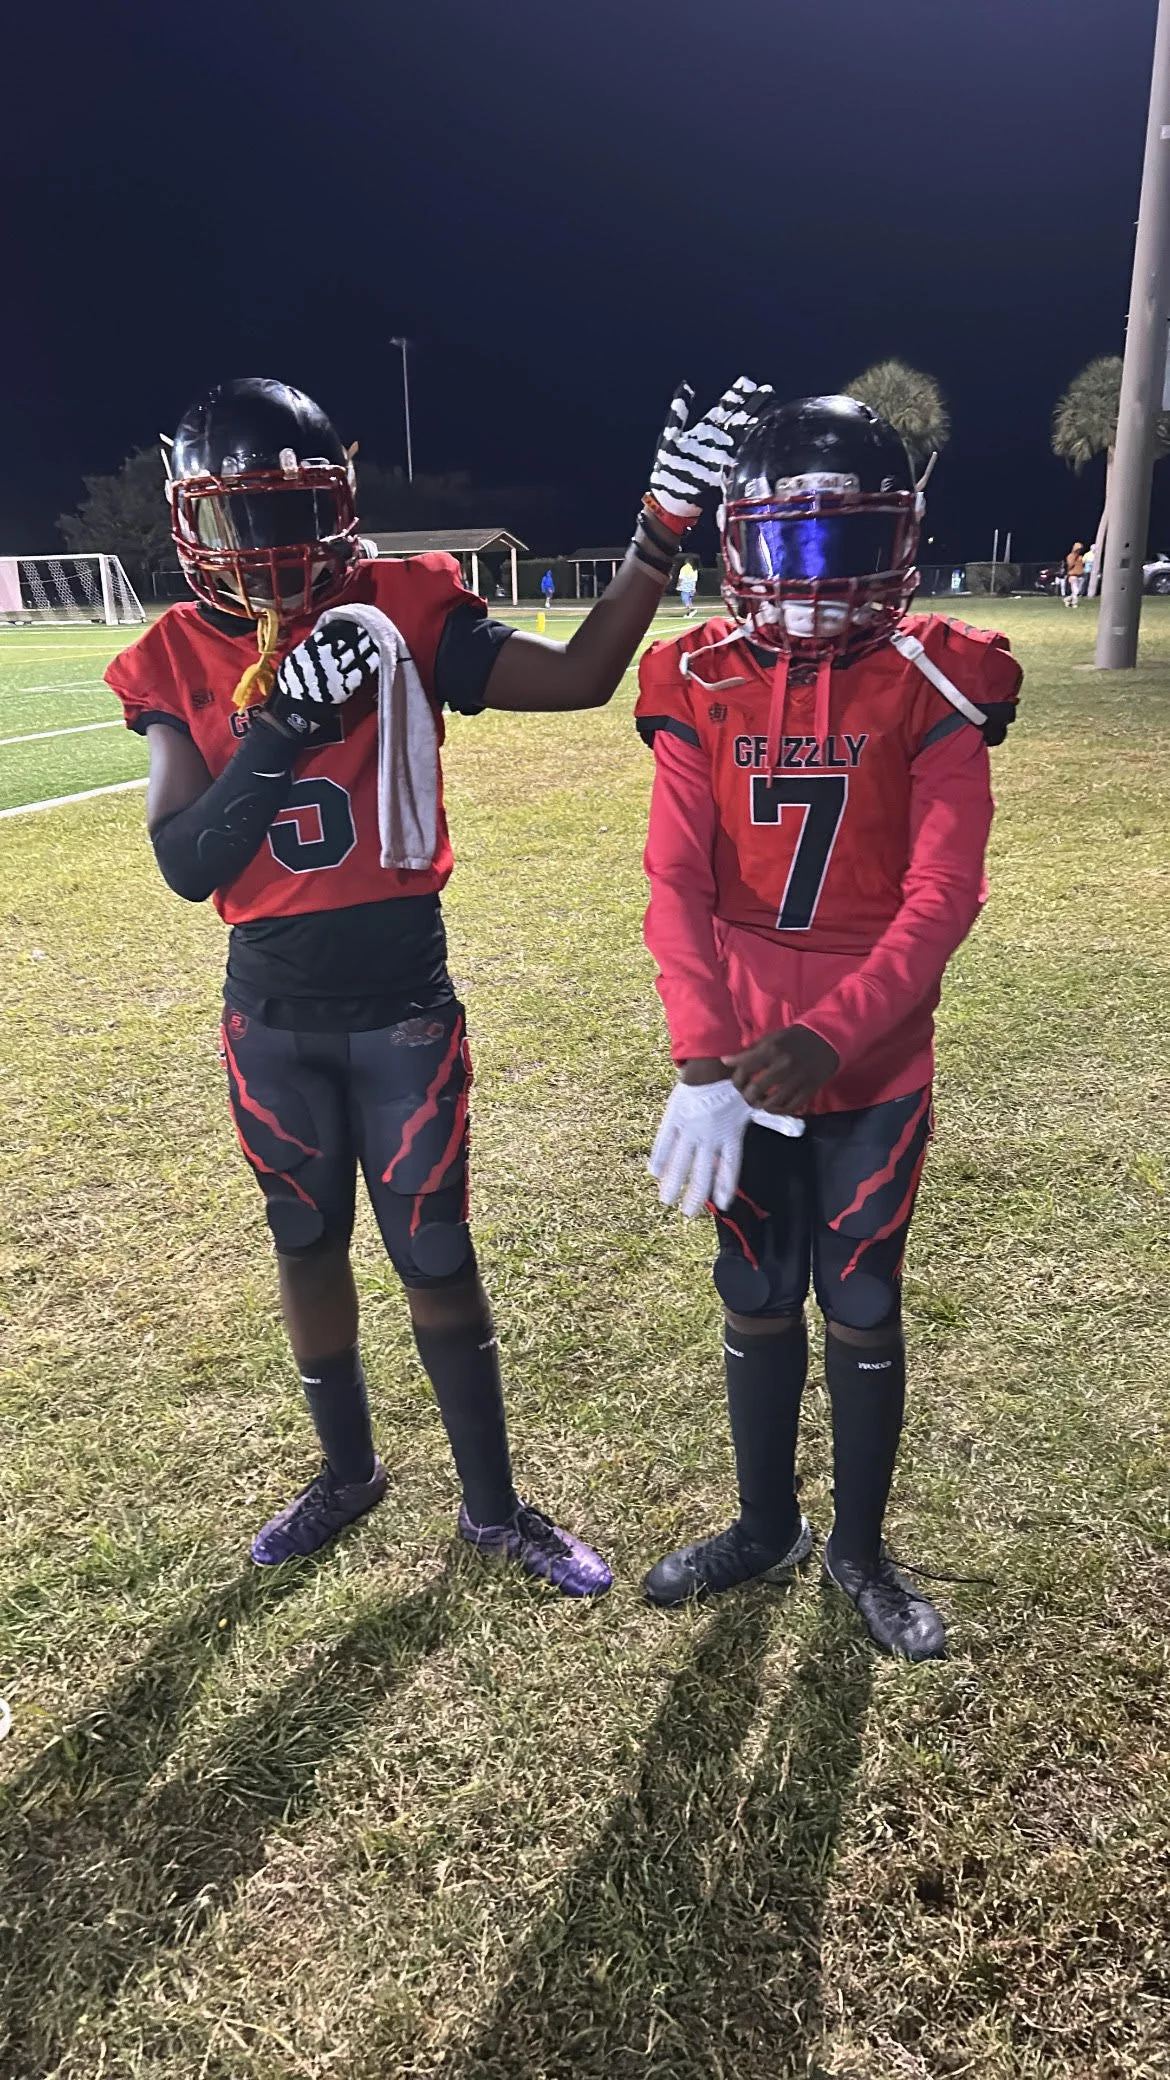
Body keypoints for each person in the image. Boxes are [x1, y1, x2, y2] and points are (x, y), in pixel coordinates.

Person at [106, 372, 769, 1585]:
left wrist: (659, 530)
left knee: (435, 1253)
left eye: (295, 509)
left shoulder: (399, 607)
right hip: (273, 1016)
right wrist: (280, 730)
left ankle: (493, 1507)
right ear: (191, 516)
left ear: (339, 503)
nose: (272, 543)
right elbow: (187, 864)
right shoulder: (172, 656)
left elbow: (582, 675)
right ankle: (347, 1472)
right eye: (244, 514)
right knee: (305, 1239)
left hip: (403, 1008)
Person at [634, 395, 1021, 1659]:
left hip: (873, 1055)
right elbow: (675, 880)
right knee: (754, 1284)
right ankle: (767, 1525)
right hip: (744, 1056)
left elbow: (942, 894)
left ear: (900, 539)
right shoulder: (700, 675)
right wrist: (705, 1054)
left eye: (842, 545)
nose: (813, 583)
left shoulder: (936, 676)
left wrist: (835, 1034)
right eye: (787, 546)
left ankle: (857, 1546)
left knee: (859, 1294)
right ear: (739, 543)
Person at [1065, 540, 1086, 607]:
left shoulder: (1080, 557)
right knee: (1075, 590)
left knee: (1078, 591)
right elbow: (1070, 565)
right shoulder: (1070, 556)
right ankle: (1074, 603)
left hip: (1080, 575)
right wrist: (1075, 558)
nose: (1079, 551)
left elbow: (1082, 565)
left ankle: (1067, 599)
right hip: (1073, 575)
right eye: (1078, 549)